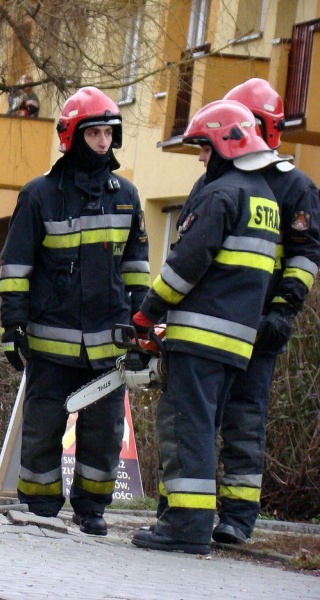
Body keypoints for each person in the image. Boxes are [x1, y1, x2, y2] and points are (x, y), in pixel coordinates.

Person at [131, 99, 282, 555]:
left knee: (187, 428)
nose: (200, 159)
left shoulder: (221, 195)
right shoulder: (267, 200)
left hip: (199, 338)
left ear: (224, 144)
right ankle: (183, 520)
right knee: (206, 428)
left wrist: (147, 311)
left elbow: (186, 264)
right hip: (238, 342)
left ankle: (186, 528)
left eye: (203, 149)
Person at [0, 87, 150, 535]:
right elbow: (16, 266)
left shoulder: (127, 196)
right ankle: (41, 506)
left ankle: (92, 509)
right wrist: (12, 326)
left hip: (109, 343)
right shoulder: (38, 195)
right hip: (50, 339)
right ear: (72, 135)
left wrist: (141, 328)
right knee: (44, 424)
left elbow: (137, 270)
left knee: (104, 431)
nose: (103, 142)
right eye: (95, 133)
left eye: (108, 133)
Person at [211, 79, 319, 544]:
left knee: (244, 422)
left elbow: (305, 256)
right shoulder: (219, 176)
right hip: (214, 320)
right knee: (198, 420)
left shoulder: (295, 186)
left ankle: (236, 518)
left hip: (259, 325)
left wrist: (283, 311)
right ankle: (182, 510)